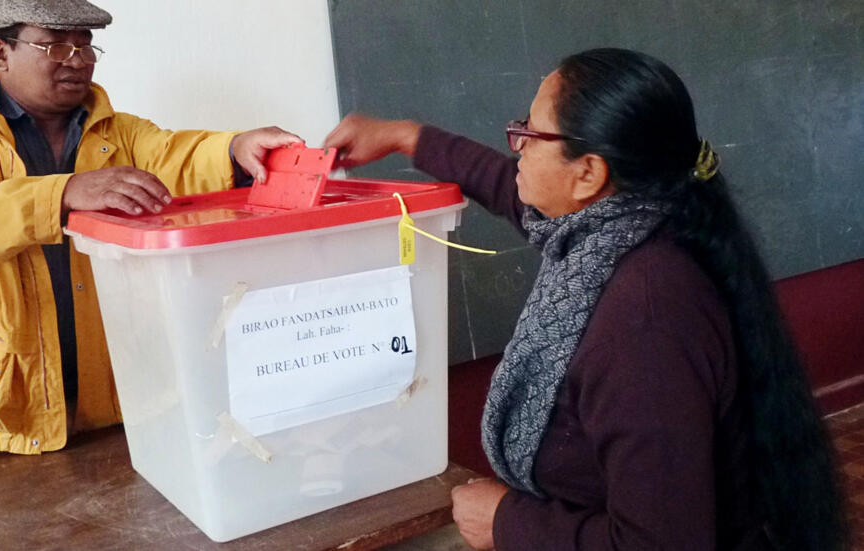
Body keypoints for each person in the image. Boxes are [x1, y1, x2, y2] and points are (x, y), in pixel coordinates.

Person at [324, 48, 846, 550]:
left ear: (590, 173)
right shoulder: (626, 224)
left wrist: (506, 521)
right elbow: (511, 185)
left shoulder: (645, 321)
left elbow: (664, 543)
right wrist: (404, 137)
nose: (517, 147)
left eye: (530, 134)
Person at [0, 0, 302, 468]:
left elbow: (177, 157)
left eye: (86, 45)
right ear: (1, 52)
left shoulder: (120, 133)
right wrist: (65, 192)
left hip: (114, 406)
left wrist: (234, 147)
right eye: (54, 45)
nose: (77, 59)